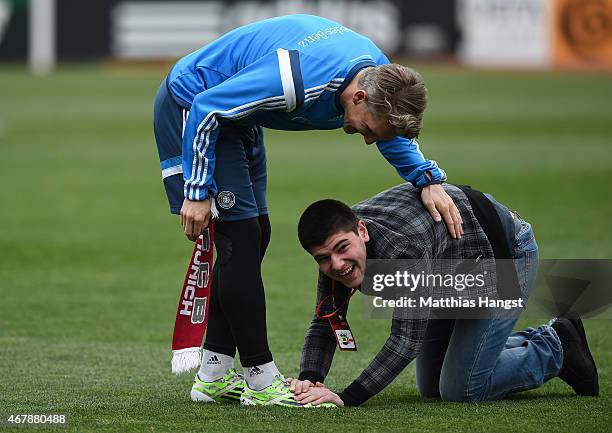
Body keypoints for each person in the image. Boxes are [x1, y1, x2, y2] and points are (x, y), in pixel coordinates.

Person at [153, 14, 463, 407]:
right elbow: (208, 107)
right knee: (240, 240)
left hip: (239, 115)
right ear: (360, 98)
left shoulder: (381, 76)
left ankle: (213, 375)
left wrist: (427, 178)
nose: (369, 142)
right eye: (370, 129)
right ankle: (261, 380)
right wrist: (197, 190)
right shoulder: (295, 80)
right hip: (195, 107)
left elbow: (392, 136)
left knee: (256, 233)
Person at [290, 182, 599, 406]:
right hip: (449, 266)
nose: (337, 264)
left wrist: (346, 397)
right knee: (431, 387)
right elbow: (327, 318)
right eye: (323, 258)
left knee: (461, 389)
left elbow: (405, 341)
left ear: (362, 231)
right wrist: (310, 378)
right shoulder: (335, 249)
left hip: (503, 255)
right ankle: (543, 341)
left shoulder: (403, 252)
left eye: (342, 250)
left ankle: (557, 346)